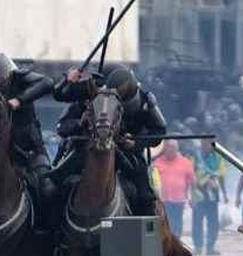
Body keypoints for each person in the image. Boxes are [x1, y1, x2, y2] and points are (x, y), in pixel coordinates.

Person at [53, 64, 167, 216]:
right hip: (85, 149)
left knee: (145, 196)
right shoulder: (86, 96)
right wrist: (80, 123)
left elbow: (159, 131)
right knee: (52, 187)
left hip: (127, 153)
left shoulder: (143, 100)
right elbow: (62, 127)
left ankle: (144, 235)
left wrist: (136, 142)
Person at [0, 53, 55, 198]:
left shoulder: (20, 77)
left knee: (47, 189)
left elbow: (47, 82)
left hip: (30, 148)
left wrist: (19, 100)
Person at [192, 138, 228, 255]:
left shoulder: (218, 158)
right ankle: (198, 247)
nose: (205, 146)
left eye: (208, 143)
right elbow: (190, 174)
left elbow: (222, 177)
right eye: (204, 143)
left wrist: (224, 194)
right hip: (199, 193)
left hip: (213, 194)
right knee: (197, 221)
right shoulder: (195, 157)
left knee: (213, 222)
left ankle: (210, 247)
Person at [153, 140, 195, 236]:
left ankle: (177, 241)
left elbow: (192, 182)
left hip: (178, 200)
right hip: (163, 200)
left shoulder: (186, 163)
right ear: (164, 149)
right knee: (165, 223)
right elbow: (154, 181)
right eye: (168, 147)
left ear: (177, 148)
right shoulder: (157, 163)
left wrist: (192, 198)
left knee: (177, 223)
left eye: (173, 147)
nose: (171, 149)